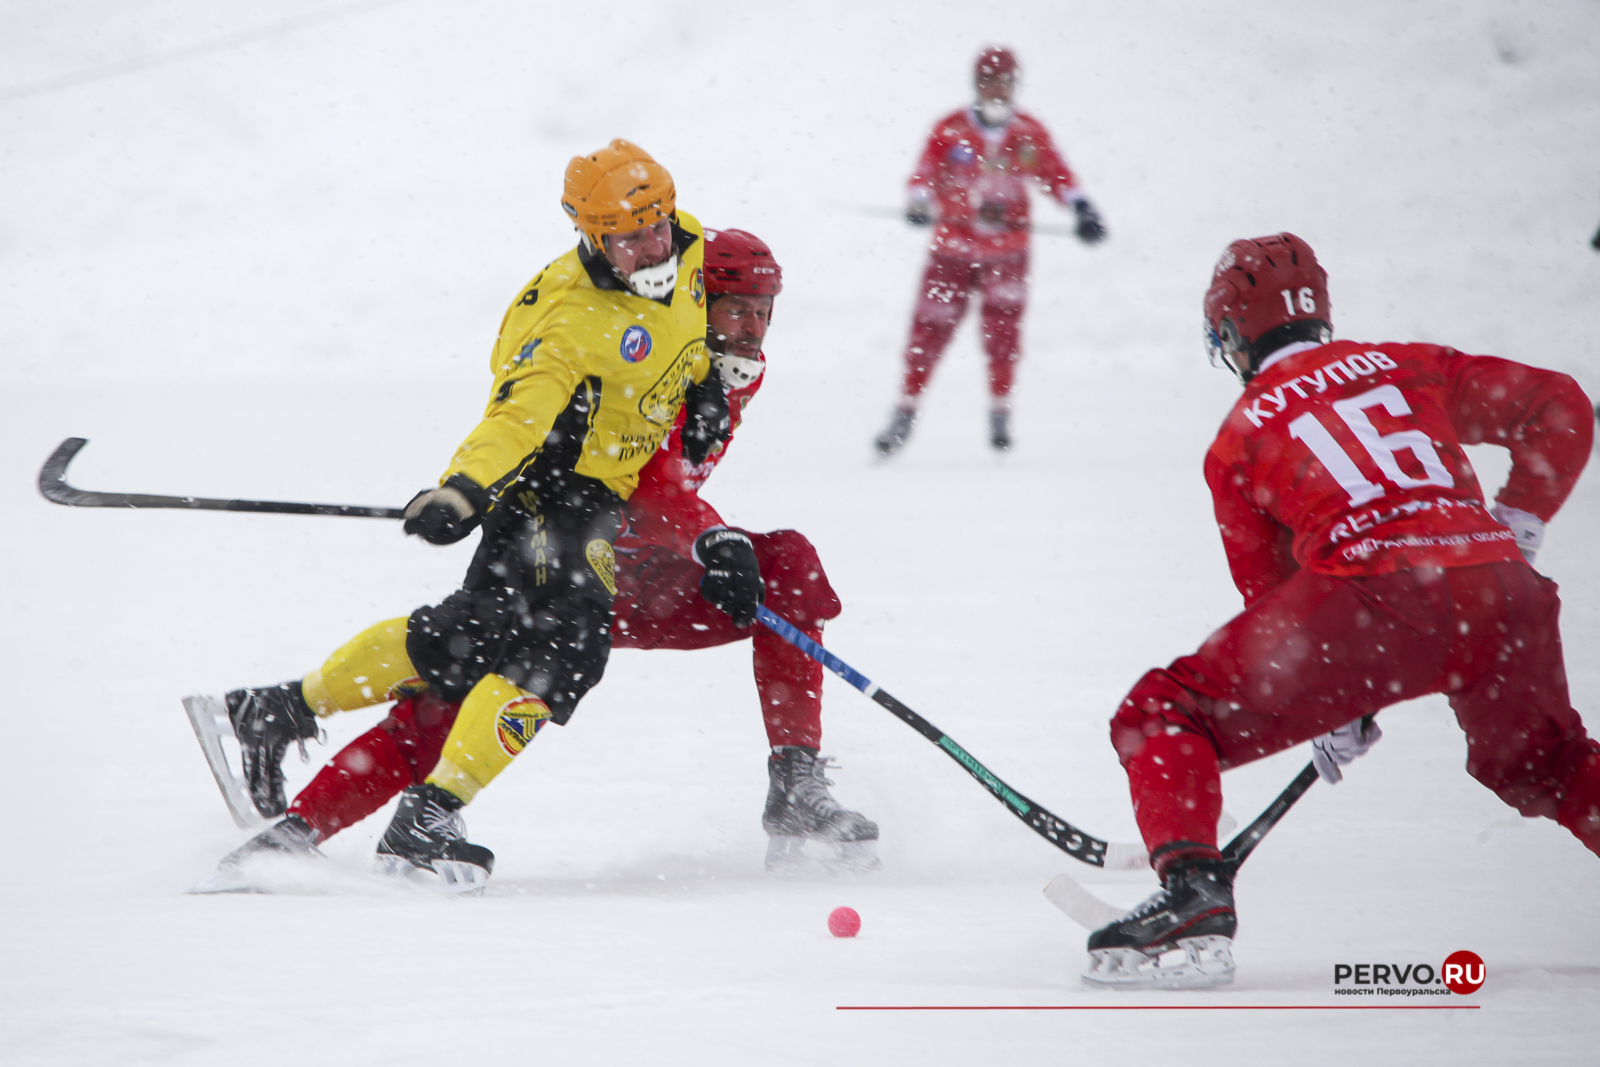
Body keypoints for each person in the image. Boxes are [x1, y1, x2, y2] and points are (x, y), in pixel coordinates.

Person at [194, 228, 878, 893]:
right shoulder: (661, 347)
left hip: (647, 576)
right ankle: (297, 831)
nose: (754, 326)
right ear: (701, 301)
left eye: (765, 310)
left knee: (789, 564)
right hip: (572, 552)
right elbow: (648, 477)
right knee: (459, 690)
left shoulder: (731, 368)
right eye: (737, 307)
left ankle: (795, 784)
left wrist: (707, 543)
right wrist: (712, 537)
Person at [211, 140, 735, 891]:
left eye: (657, 227)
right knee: (563, 654)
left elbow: (691, 318)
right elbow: (515, 419)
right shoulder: (565, 315)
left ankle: (280, 707)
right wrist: (462, 489)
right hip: (555, 496)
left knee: (470, 636)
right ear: (588, 231)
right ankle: (428, 819)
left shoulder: (685, 246)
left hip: (601, 497)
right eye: (628, 236)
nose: (651, 246)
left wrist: (706, 379)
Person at [1081, 233, 1597, 989]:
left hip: (1374, 594)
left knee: (1163, 709)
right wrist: (1515, 525)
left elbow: (1275, 604)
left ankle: (1193, 889)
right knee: (1543, 762)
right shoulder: (1407, 362)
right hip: (1502, 590)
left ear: (1230, 334)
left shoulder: (1238, 437)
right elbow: (1561, 404)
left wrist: (1333, 701)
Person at [874, 45, 1106, 457]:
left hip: (1008, 254)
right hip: (952, 250)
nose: (995, 88)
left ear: (1014, 85)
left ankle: (1000, 412)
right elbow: (924, 175)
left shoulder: (1029, 133)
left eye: (1002, 81)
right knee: (929, 329)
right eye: (987, 80)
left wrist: (1082, 207)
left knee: (1004, 335)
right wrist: (918, 203)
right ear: (976, 84)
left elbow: (1057, 175)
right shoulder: (951, 129)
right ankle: (905, 409)